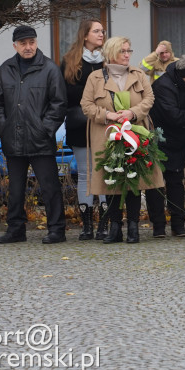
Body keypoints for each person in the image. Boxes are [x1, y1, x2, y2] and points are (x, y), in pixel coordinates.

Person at [80, 36, 164, 243]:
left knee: (132, 178)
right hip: (106, 134)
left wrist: (132, 113)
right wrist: (107, 115)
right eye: (123, 51)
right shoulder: (95, 77)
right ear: (111, 54)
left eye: (129, 51)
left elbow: (149, 99)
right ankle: (115, 227)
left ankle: (133, 227)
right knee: (111, 181)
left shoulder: (138, 74)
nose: (127, 55)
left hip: (134, 132)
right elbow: (86, 105)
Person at [0, 25, 67, 244]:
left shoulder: (50, 69)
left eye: (31, 42)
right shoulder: (6, 69)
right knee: (14, 189)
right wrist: (3, 127)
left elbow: (59, 103)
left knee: (49, 187)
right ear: (15, 45)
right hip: (13, 138)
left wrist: (45, 129)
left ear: (36, 42)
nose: (28, 47)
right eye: (23, 43)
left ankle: (56, 229)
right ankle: (15, 229)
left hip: (40, 139)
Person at [60, 19, 106, 240]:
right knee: (85, 175)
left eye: (102, 31)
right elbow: (66, 93)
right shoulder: (70, 61)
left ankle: (105, 223)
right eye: (96, 31)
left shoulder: (108, 60)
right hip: (80, 123)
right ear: (85, 35)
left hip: (105, 123)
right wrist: (92, 92)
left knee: (106, 172)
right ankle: (87, 225)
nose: (101, 34)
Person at [149, 55, 185, 238]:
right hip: (160, 140)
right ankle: (158, 226)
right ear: (183, 76)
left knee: (176, 183)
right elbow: (174, 115)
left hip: (179, 140)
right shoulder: (163, 86)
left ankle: (178, 224)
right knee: (156, 184)